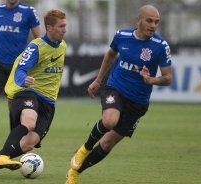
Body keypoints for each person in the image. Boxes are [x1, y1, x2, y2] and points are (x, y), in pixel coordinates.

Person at [65, 5, 172, 184]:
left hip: (138, 102)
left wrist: (151, 80)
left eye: (156, 22)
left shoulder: (160, 46)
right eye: (149, 21)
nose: (153, 25)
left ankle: (76, 172)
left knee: (107, 144)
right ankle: (85, 148)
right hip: (116, 88)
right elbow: (110, 55)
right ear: (138, 20)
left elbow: (168, 78)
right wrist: (98, 81)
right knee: (109, 120)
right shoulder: (122, 36)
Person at [0, 9, 67, 177]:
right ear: (49, 27)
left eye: (65, 26)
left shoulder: (63, 46)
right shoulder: (36, 46)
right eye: (61, 26)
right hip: (27, 92)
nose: (65, 30)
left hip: (48, 102)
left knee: (28, 144)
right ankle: (2, 157)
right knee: (29, 123)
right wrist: (24, 80)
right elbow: (21, 69)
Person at [0, 0, 41, 151]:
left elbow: (38, 38)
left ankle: (16, 139)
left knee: (13, 104)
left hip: (18, 65)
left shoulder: (28, 11)